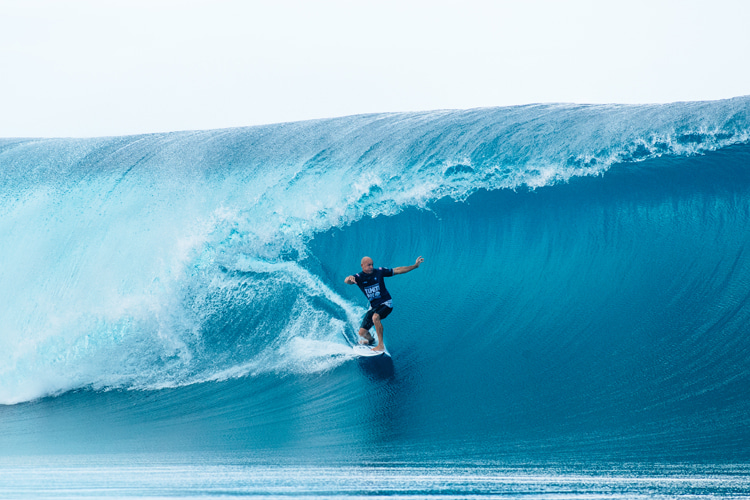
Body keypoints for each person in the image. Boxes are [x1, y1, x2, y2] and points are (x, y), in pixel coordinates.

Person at [344, 255, 424, 351]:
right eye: (369, 265)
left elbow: (398, 270)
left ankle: (380, 345)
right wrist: (349, 278)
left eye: (372, 265)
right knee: (362, 333)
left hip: (386, 303)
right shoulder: (359, 277)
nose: (371, 267)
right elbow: (347, 281)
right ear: (362, 265)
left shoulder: (379, 272)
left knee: (375, 317)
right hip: (374, 306)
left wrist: (415, 266)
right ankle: (371, 340)